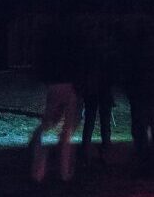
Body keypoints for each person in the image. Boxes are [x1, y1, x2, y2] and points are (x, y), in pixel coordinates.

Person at [29, 23, 80, 182]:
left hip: (56, 85)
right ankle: (64, 172)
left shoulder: (49, 45)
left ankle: (39, 171)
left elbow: (43, 66)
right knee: (66, 130)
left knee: (50, 125)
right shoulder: (71, 45)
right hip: (68, 85)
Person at [123, 19, 154, 175]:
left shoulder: (135, 48)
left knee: (140, 127)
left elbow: (131, 70)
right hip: (152, 92)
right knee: (152, 126)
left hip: (140, 93)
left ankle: (143, 160)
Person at [78, 21, 115, 164]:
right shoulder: (107, 51)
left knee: (90, 121)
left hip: (93, 89)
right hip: (102, 89)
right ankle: (105, 150)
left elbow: (85, 71)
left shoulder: (89, 50)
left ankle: (85, 150)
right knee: (104, 122)